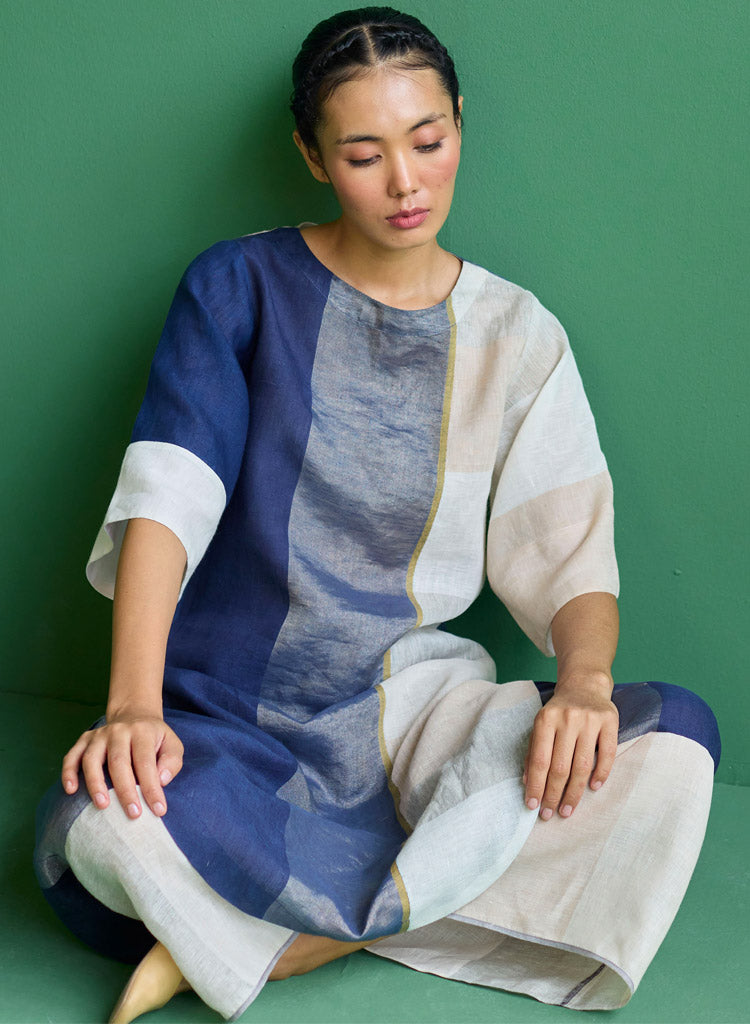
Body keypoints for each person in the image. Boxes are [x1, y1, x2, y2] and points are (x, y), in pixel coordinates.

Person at [34, 7, 720, 1023]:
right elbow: (166, 495)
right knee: (97, 827)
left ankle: (284, 941)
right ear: (313, 157)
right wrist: (133, 706)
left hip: (416, 716)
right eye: (364, 155)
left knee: (670, 742)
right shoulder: (237, 287)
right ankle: (413, 899)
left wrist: (583, 685)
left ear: (459, 124)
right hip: (229, 714)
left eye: (428, 141)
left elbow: (567, 548)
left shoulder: (517, 335)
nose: (405, 182)